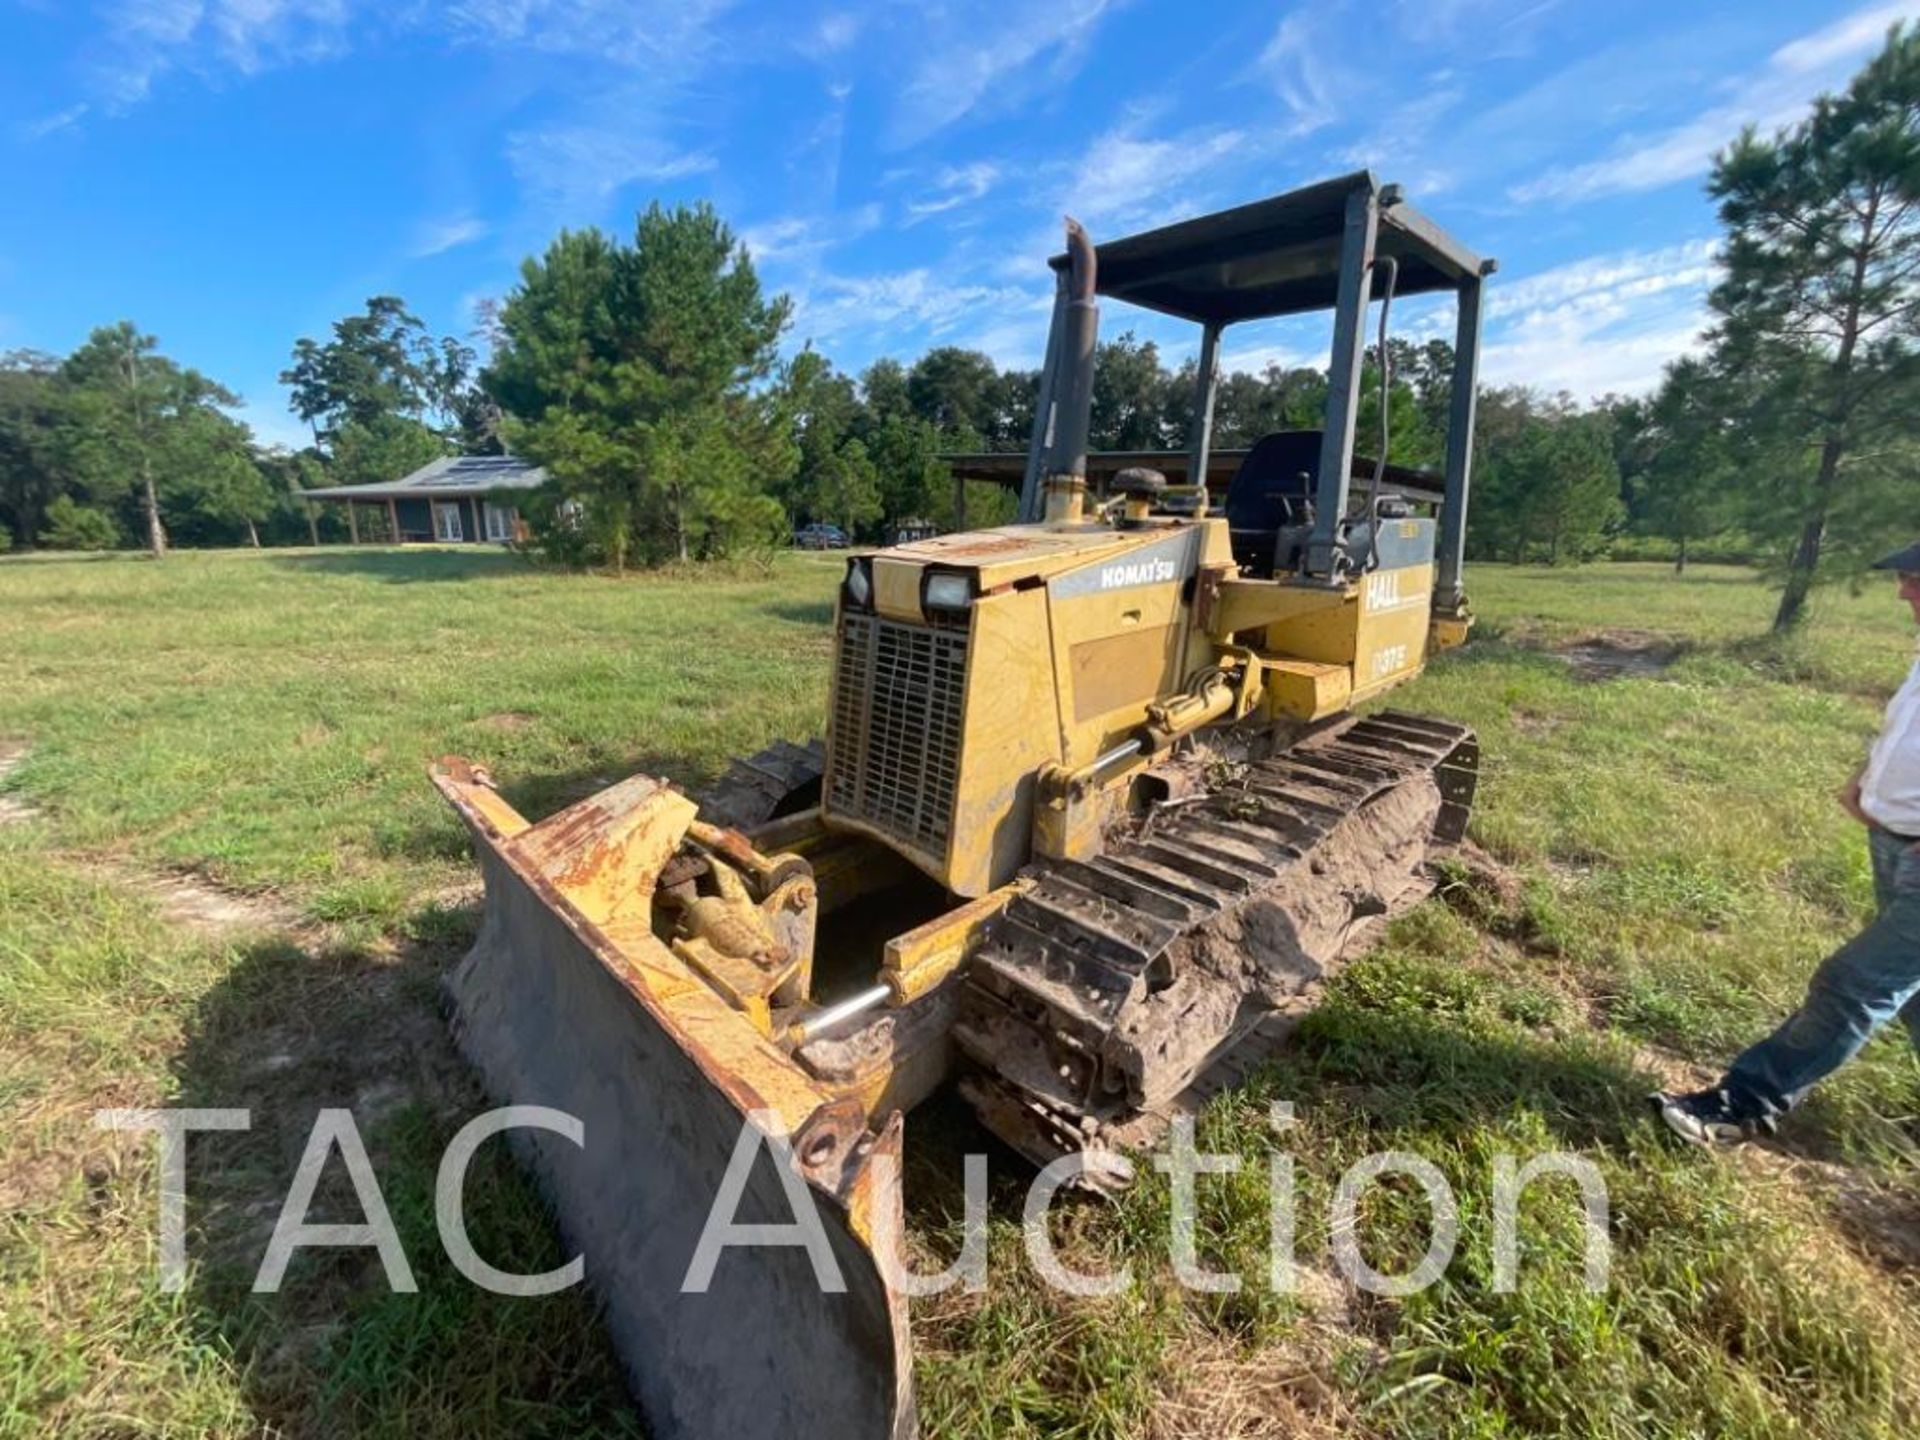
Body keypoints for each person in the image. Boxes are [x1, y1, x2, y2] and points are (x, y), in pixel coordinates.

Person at [1653, 542, 1920, 1145]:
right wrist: (1871, 778)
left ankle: (1741, 1103)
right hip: (1895, 842)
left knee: (1854, 984)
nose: (1903, 591)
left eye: (1913, 580)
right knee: (1907, 990)